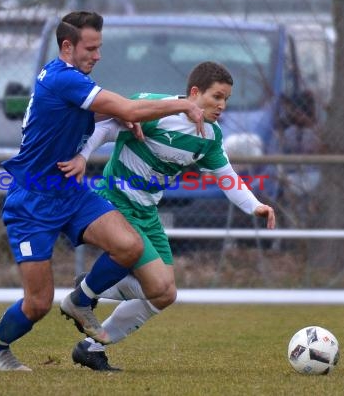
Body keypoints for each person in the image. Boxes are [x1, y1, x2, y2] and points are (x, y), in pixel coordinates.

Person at [0, 11, 204, 371]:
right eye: (91, 48)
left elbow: (92, 115)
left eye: (99, 48)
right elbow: (128, 106)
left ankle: (81, 300)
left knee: (129, 245)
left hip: (70, 192)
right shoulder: (63, 79)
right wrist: (183, 103)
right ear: (67, 47)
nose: (97, 55)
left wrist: (115, 120)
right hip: (32, 201)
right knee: (37, 303)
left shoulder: (71, 82)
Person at [57, 61, 276, 371]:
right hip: (116, 200)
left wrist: (255, 205)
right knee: (157, 284)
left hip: (147, 210)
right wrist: (83, 156)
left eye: (226, 99)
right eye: (216, 97)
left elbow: (226, 176)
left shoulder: (210, 136)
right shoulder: (159, 110)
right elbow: (106, 128)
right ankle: (91, 290)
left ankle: (91, 340)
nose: (222, 105)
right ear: (195, 93)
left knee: (164, 294)